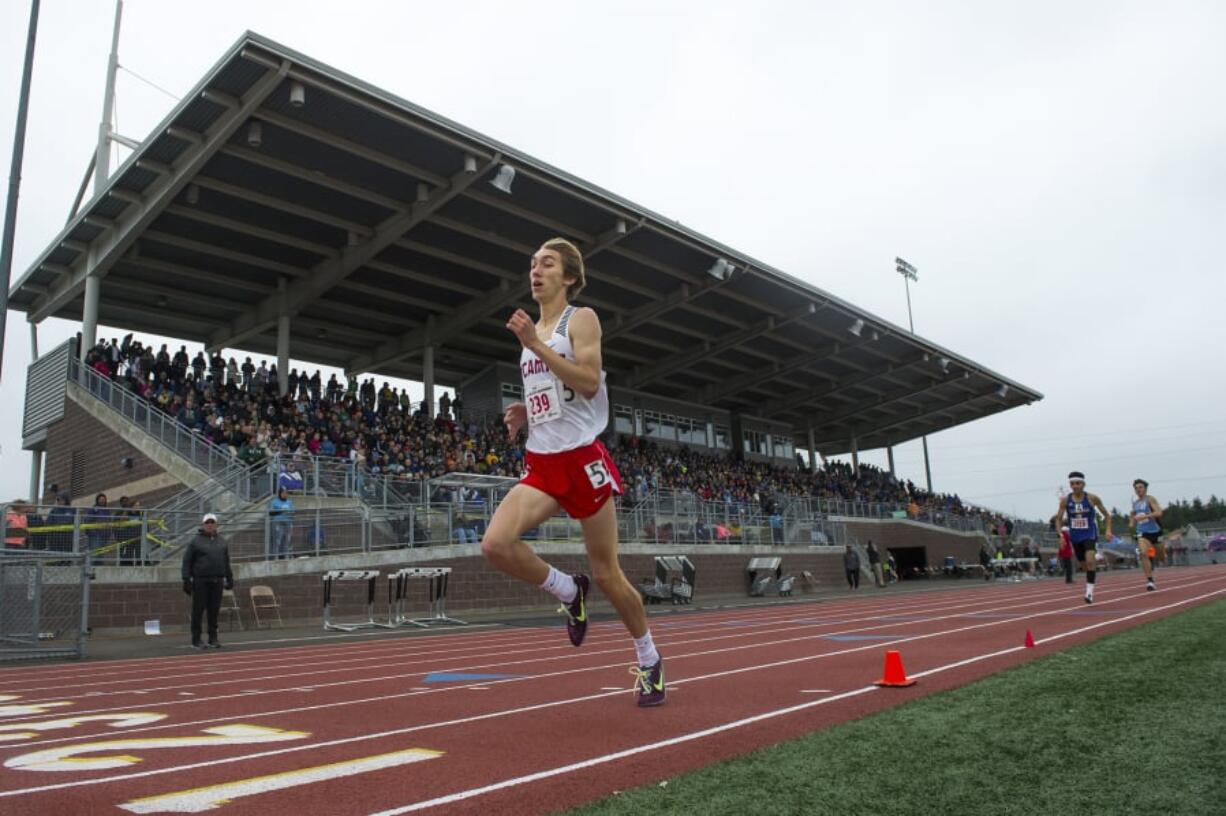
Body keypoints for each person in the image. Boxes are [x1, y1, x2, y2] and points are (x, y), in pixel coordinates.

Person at [480, 238, 664, 707]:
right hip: (543, 460)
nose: (535, 271)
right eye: (532, 263)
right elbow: (555, 388)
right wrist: (528, 410)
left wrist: (536, 345)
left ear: (569, 278)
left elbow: (586, 381)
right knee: (496, 544)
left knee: (608, 573)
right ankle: (567, 588)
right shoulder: (535, 333)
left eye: (547, 264)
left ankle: (650, 660)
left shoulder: (578, 319)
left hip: (583, 460)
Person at [1054, 471, 1112, 603]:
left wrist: (1108, 530)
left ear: (1083, 484)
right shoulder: (1066, 500)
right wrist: (1061, 536)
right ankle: (1091, 576)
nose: (1075, 486)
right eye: (1072, 484)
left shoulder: (1092, 498)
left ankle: (1089, 593)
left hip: (1089, 533)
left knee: (1090, 561)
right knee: (1084, 565)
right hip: (1075, 536)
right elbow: (1058, 519)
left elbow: (1107, 515)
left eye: (1078, 483)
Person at [181, 513, 234, 650]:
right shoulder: (195, 542)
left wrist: (229, 578)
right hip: (200, 581)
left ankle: (213, 638)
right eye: (207, 522)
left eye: (212, 522)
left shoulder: (222, 541)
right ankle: (196, 639)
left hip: (218, 580)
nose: (210, 525)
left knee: (214, 611)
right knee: (198, 610)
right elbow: (187, 561)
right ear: (203, 525)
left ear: (216, 524)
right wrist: (186, 579)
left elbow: (226, 561)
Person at [1130, 478, 1163, 591]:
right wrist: (1132, 522)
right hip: (1142, 532)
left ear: (1145, 489)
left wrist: (1146, 516)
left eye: (1140, 487)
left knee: (1162, 557)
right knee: (1143, 553)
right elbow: (1133, 514)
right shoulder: (1135, 503)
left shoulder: (1150, 499)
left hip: (1155, 531)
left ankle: (1153, 560)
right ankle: (1150, 581)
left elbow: (1159, 512)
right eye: (1136, 488)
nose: (1138, 490)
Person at [269, 488, 294, 559]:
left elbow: (293, 512)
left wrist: (290, 514)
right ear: (280, 493)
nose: (285, 494)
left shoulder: (289, 502)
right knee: (277, 541)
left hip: (288, 522)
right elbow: (271, 513)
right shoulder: (274, 502)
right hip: (277, 522)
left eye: (286, 493)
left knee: (287, 540)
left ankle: (286, 556)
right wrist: (281, 511)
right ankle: (275, 557)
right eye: (283, 493)